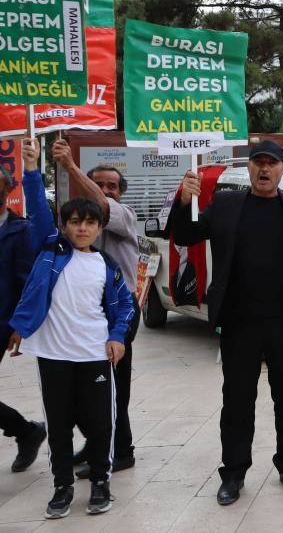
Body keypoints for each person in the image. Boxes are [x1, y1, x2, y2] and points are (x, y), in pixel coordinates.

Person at [170, 140, 283, 505]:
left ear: (282, 170)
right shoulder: (227, 204)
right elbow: (185, 236)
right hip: (239, 323)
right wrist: (184, 201)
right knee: (236, 401)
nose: (264, 169)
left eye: (271, 163)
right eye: (258, 163)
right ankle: (233, 473)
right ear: (249, 169)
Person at [10, 138, 135, 518]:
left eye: (90, 223)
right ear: (63, 226)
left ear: (99, 228)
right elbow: (37, 211)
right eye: (75, 222)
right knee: (60, 427)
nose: (82, 229)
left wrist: (116, 338)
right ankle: (62, 487)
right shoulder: (50, 251)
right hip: (53, 356)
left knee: (101, 424)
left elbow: (126, 305)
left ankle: (101, 482)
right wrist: (33, 169)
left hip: (95, 356)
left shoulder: (107, 265)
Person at [52, 137, 141, 478]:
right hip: (86, 315)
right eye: (100, 184)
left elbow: (101, 206)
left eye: (113, 186)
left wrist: (71, 166)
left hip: (119, 311)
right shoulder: (78, 225)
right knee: (85, 385)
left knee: (113, 386)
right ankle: (95, 445)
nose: (107, 190)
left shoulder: (123, 215)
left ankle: (121, 451)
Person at [0, 154, 47, 474]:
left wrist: (20, 326)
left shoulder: (20, 230)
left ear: (7, 189)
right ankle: (27, 431)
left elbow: (26, 282)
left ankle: (26, 431)